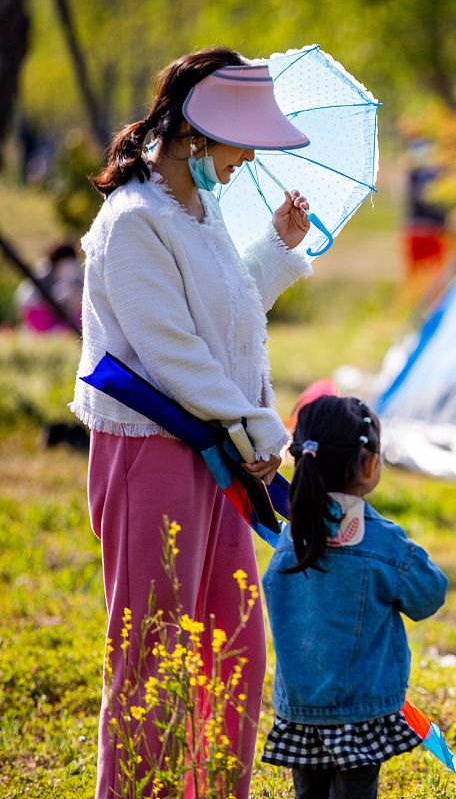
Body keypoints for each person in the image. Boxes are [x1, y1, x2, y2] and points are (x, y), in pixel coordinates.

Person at [70, 47, 314, 799]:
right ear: (197, 133)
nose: (250, 158)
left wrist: (275, 248)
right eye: (243, 141)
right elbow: (170, 349)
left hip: (213, 448)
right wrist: (258, 428)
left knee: (230, 642)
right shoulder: (133, 221)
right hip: (154, 451)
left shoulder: (199, 213)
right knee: (153, 647)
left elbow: (224, 316)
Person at [262, 396, 448, 799]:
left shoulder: (291, 536)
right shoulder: (382, 541)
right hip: (358, 707)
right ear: (369, 464)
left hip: (299, 704)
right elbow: (429, 595)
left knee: (308, 791)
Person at [15, 241, 84, 332]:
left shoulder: (66, 272)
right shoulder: (44, 271)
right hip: (36, 312)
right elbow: (35, 299)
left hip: (51, 313)